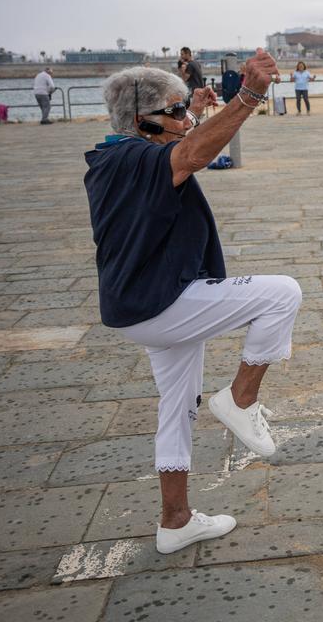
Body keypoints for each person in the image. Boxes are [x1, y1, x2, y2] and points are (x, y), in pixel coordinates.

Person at [83, 51, 302, 554]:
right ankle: (241, 400)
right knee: (281, 293)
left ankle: (176, 520)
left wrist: (193, 112)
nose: (187, 119)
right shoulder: (136, 160)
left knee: (176, 409)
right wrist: (249, 96)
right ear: (144, 122)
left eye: (187, 111)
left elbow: (178, 147)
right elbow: (190, 155)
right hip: (163, 301)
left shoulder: (115, 158)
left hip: (136, 306)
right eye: (176, 113)